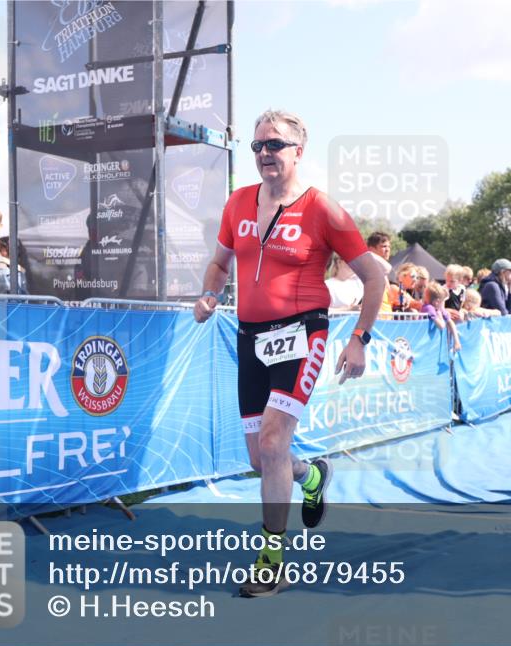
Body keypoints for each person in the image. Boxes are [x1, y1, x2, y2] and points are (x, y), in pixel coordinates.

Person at [193, 110, 385, 598]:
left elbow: (374, 277)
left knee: (276, 442)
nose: (264, 154)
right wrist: (210, 294)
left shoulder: (323, 209)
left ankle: (271, 561)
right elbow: (219, 264)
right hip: (250, 337)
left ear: (299, 151)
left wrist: (359, 338)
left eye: (274, 145)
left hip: (303, 332)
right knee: (261, 459)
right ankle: (312, 474)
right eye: (257, 146)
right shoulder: (238, 203)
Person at [422, 282, 461, 352]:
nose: (444, 304)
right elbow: (441, 326)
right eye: (443, 302)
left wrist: (456, 341)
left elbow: (450, 322)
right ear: (437, 302)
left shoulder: (439, 308)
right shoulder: (428, 308)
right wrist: (440, 315)